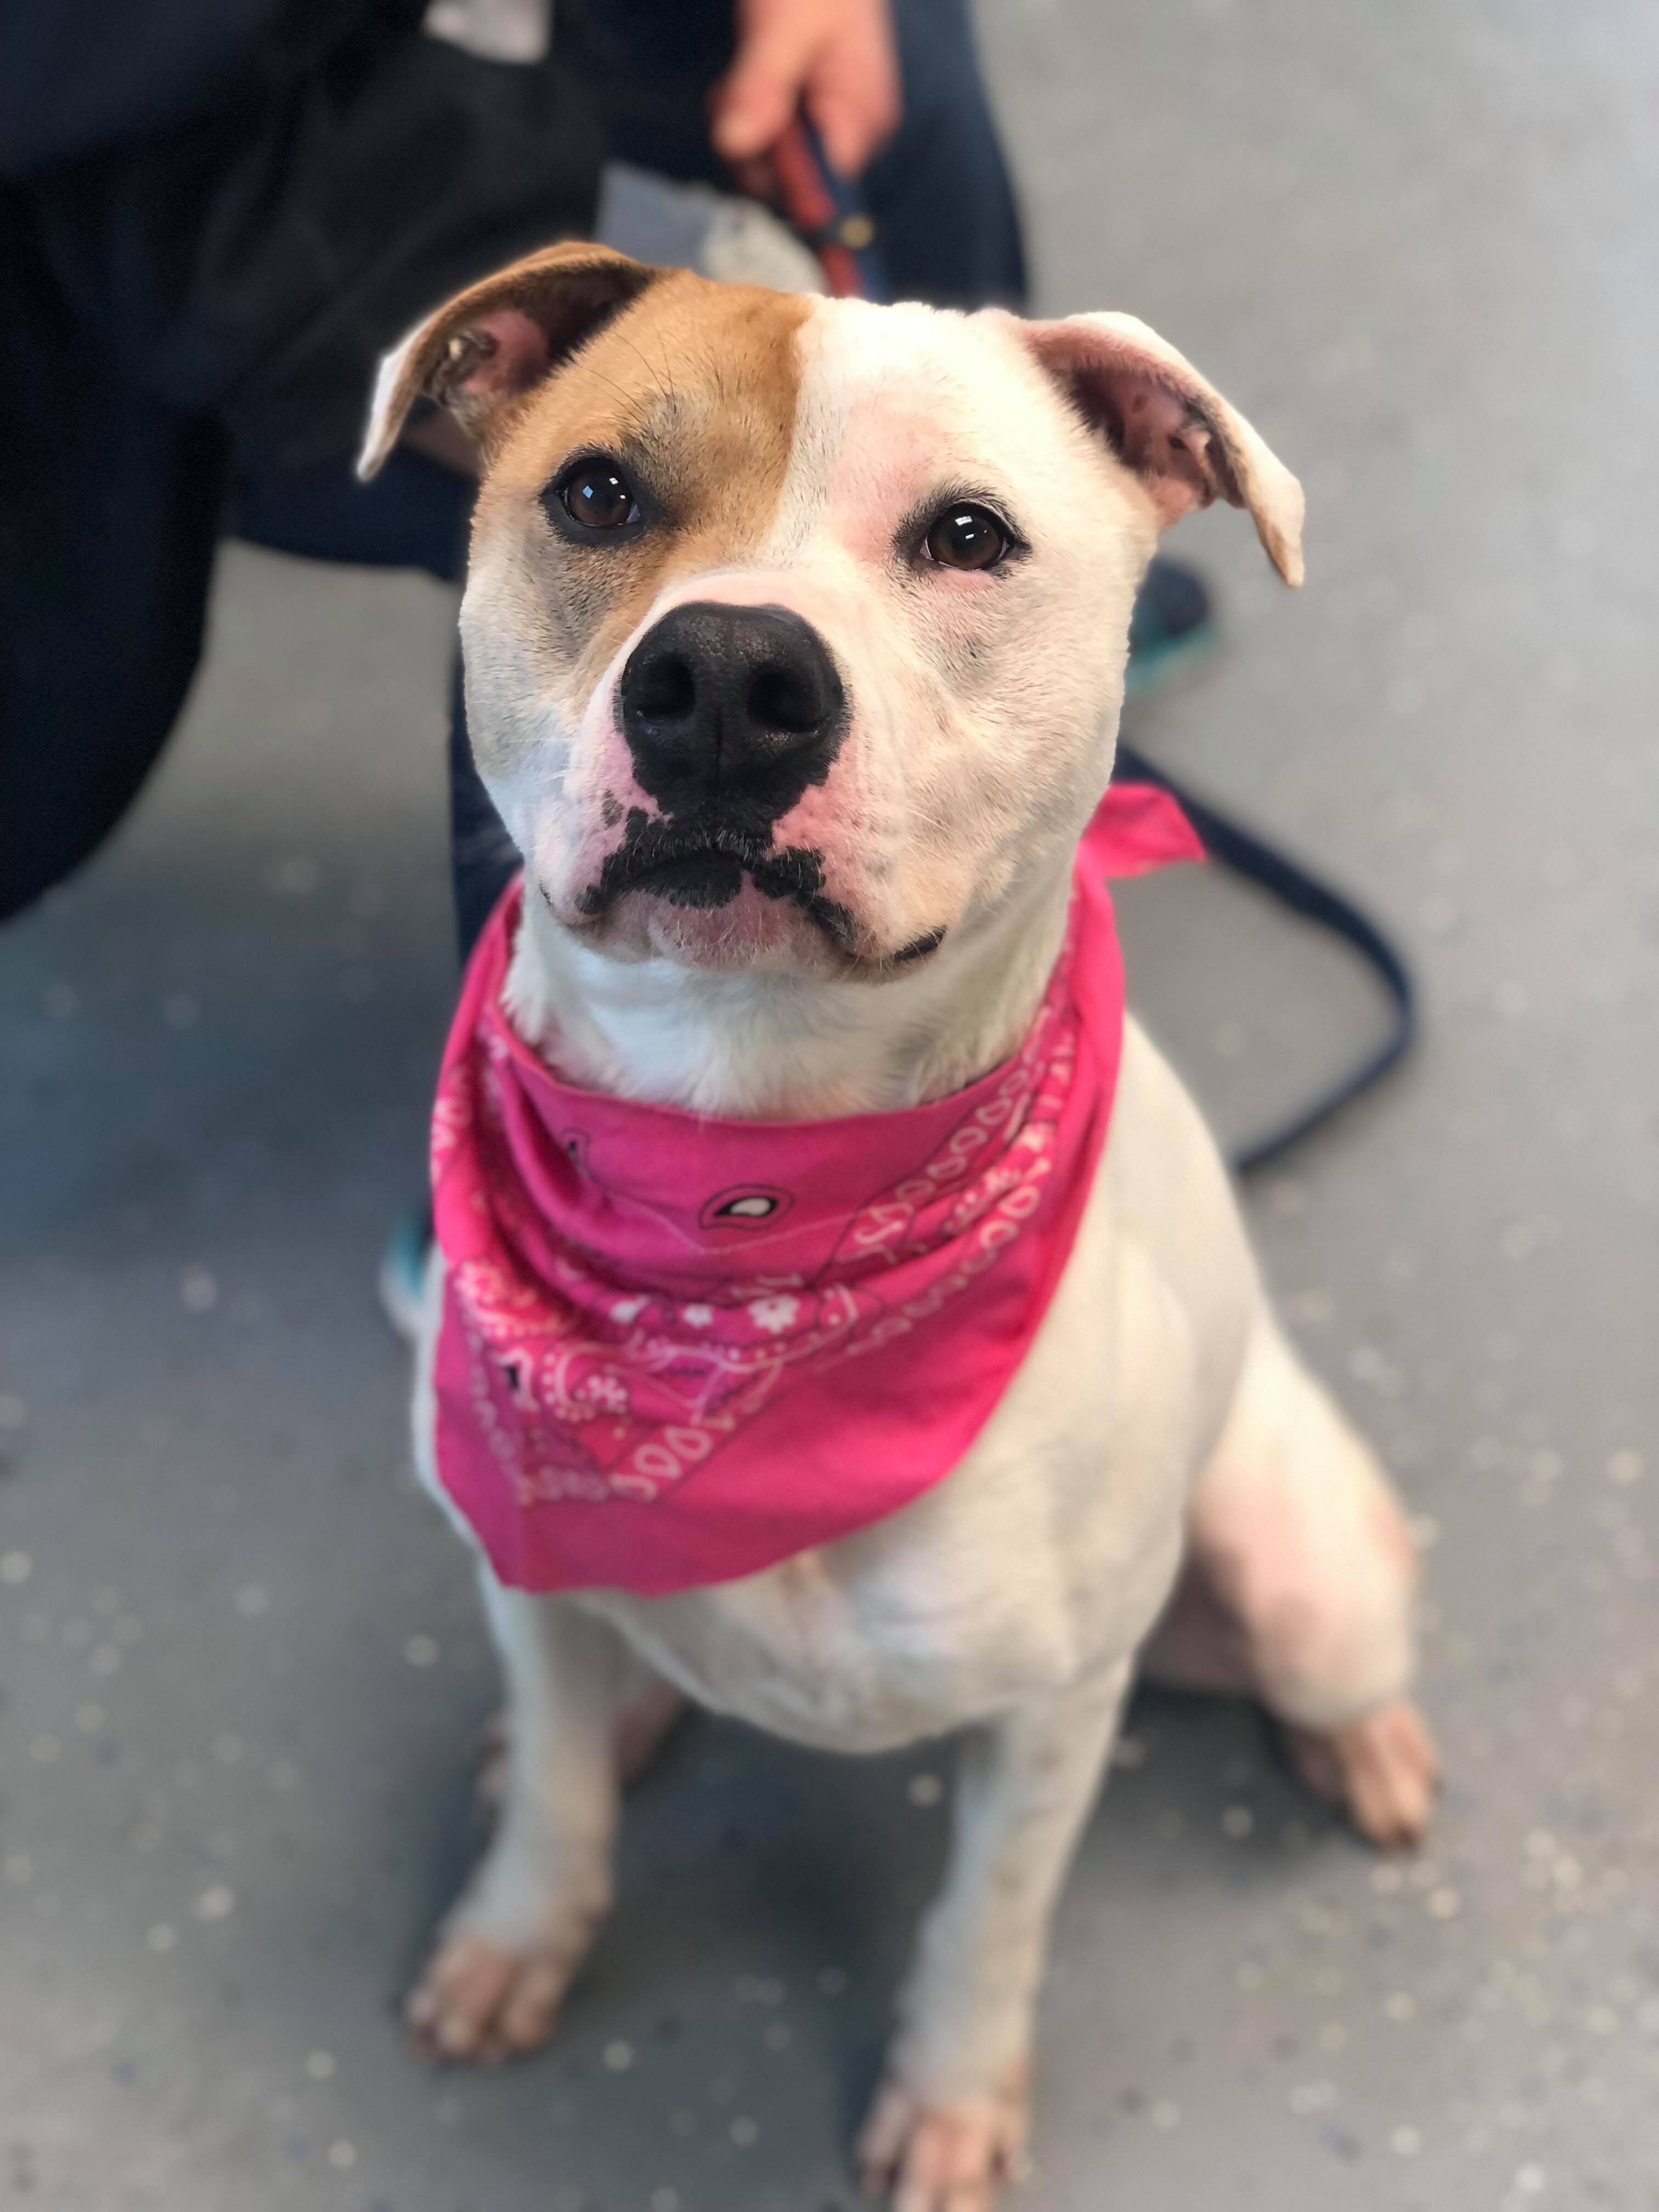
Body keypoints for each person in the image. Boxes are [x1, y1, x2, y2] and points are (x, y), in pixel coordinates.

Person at [1, 0, 1080, 948]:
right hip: (158, 155)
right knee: (631, 526)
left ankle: (1000, 586)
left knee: (908, 101)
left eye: (964, 535)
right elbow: (111, 99)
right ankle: (548, 1143)